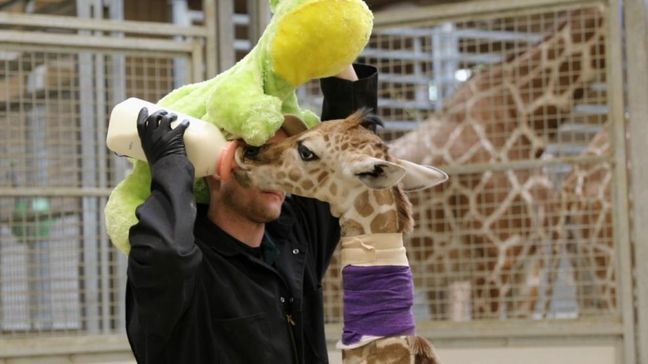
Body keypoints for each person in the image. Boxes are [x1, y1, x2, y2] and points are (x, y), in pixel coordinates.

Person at [126, 64, 378, 363]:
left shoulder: (295, 240)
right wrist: (171, 164)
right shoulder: (187, 269)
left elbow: (349, 154)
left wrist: (338, 56)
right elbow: (168, 254)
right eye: (259, 153)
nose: (280, 172)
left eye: (288, 156)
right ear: (215, 163)